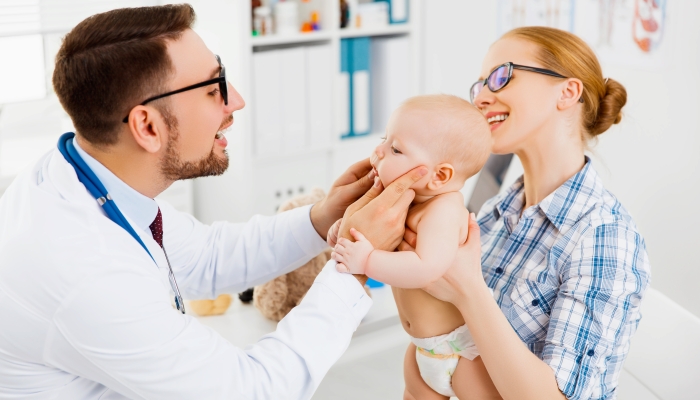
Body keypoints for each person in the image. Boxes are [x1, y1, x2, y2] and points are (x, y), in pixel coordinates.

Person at [0, 5, 428, 399]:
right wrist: (353, 265)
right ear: (146, 127)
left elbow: (206, 256)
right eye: (213, 88)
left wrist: (322, 219)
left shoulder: (81, 173)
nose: (236, 100)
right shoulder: (85, 273)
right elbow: (252, 391)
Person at [399, 27, 651, 399]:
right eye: (480, 85)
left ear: (567, 92)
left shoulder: (605, 237)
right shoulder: (495, 212)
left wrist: (469, 290)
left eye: (501, 77)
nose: (482, 98)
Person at [329, 94, 496, 398]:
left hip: (460, 352)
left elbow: (426, 269)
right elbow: (371, 230)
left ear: (439, 175)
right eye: (384, 139)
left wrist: (366, 260)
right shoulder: (402, 200)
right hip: (422, 347)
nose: (378, 152)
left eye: (395, 149)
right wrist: (344, 230)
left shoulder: (443, 210)